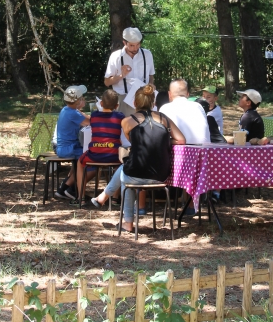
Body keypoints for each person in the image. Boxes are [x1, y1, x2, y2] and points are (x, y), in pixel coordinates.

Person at [91, 84, 186, 232]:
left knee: (126, 173)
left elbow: (133, 142)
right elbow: (181, 140)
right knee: (126, 171)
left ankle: (125, 220)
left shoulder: (127, 121)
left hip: (136, 174)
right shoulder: (164, 119)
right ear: (153, 103)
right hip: (161, 175)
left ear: (134, 103)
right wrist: (165, 140)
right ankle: (103, 197)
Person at [76, 89, 124, 198]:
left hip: (94, 155)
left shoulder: (94, 116)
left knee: (80, 163)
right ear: (117, 105)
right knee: (120, 164)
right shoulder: (120, 117)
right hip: (113, 155)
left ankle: (80, 197)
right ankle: (115, 198)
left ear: (101, 103)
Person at [104, 27, 155, 117]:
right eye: (131, 45)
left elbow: (151, 75)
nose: (135, 48)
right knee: (125, 128)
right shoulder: (116, 56)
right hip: (123, 99)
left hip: (144, 99)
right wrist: (121, 75)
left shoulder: (147, 54)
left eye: (138, 44)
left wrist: (151, 86)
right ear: (124, 42)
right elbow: (107, 82)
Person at [55, 85, 89, 200]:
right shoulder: (73, 113)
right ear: (78, 101)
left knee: (83, 160)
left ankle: (65, 188)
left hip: (64, 147)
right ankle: (69, 188)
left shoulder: (66, 110)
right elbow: (89, 122)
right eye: (81, 98)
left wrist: (79, 108)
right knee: (92, 163)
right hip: (69, 148)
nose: (83, 99)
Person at [159, 79, 210, 145]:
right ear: (187, 94)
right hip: (205, 151)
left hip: (181, 152)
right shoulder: (198, 106)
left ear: (169, 94)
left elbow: (161, 137)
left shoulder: (165, 108)